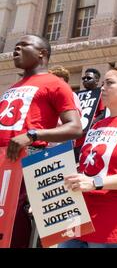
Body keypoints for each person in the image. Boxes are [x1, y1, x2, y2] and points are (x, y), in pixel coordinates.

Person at [0, 34, 82, 248]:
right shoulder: (12, 87)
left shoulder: (56, 84)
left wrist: (33, 135)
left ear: (42, 53)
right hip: (3, 162)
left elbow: (75, 127)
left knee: (17, 224)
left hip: (30, 161)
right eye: (15, 46)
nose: (16, 49)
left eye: (24, 45)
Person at [59, 67, 117, 247]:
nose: (102, 88)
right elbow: (85, 167)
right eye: (103, 83)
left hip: (109, 221)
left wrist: (96, 182)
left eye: (110, 83)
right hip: (78, 215)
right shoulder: (97, 125)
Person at [74, 68, 105, 161]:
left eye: (88, 78)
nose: (85, 80)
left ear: (96, 81)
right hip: (74, 138)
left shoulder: (100, 93)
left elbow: (103, 114)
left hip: (89, 137)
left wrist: (90, 125)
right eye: (84, 78)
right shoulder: (76, 95)